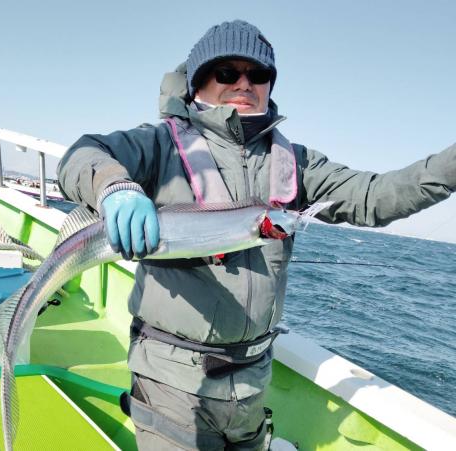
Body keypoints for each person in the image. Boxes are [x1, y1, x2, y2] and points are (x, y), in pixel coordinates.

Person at [57, 20, 456, 450]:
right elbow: (82, 155)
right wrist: (114, 186)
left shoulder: (296, 162)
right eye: (226, 72)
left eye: (258, 74)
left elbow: (374, 195)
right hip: (170, 378)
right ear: (198, 83)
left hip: (251, 380)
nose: (244, 84)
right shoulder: (160, 145)